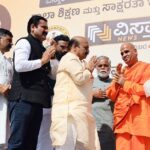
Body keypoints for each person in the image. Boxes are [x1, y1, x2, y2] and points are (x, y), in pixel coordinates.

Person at [7, 15, 56, 150]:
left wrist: (52, 57)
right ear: (33, 27)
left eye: (47, 28)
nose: (46, 31)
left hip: (37, 101)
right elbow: (20, 66)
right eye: (43, 27)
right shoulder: (24, 42)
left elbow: (51, 74)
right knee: (18, 142)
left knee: (31, 143)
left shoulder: (43, 48)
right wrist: (42, 60)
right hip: (22, 99)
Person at [50, 36, 100, 150]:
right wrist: (88, 70)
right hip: (69, 114)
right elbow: (80, 78)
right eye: (85, 48)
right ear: (74, 47)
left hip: (76, 113)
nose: (88, 51)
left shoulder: (77, 61)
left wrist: (87, 69)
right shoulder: (70, 58)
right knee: (68, 146)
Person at [106, 42, 150, 150]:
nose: (124, 55)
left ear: (135, 51)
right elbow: (110, 94)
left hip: (139, 120)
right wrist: (117, 81)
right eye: (122, 53)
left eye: (126, 51)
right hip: (122, 122)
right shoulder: (122, 71)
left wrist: (125, 83)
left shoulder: (146, 68)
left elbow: (146, 90)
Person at [37, 34, 70, 150]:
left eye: (67, 47)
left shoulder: (67, 60)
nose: (65, 50)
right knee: (44, 136)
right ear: (54, 45)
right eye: (62, 47)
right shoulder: (46, 57)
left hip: (62, 105)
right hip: (46, 103)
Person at [92, 56, 115, 150]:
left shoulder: (115, 83)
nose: (102, 67)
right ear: (96, 67)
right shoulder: (89, 81)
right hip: (93, 128)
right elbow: (79, 97)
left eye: (105, 65)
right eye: (100, 65)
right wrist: (92, 93)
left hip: (109, 128)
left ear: (110, 67)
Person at [0, 28, 13, 150]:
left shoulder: (7, 60)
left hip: (6, 102)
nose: (11, 43)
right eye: (8, 40)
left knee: (4, 141)